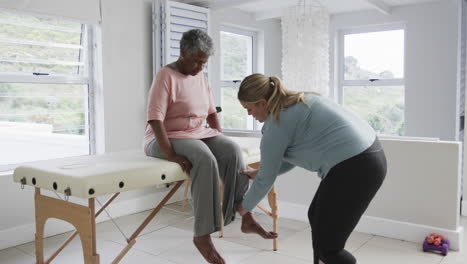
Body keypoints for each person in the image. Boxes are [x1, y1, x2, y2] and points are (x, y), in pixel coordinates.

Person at [144, 30, 275, 264]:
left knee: (233, 151)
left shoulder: (200, 77)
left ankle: (242, 211)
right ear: (183, 52)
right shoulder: (166, 76)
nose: (199, 67)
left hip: (198, 134)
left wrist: (221, 142)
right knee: (204, 159)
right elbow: (155, 120)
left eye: (204, 63)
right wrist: (171, 154)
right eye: (197, 61)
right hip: (165, 137)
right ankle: (202, 235)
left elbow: (212, 114)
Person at [236, 73, 387, 264]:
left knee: (330, 248)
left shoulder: (277, 124)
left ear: (262, 102)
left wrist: (244, 207)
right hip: (370, 157)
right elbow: (287, 159)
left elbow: (267, 178)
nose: (249, 114)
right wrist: (260, 172)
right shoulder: (299, 101)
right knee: (316, 216)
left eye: (249, 109)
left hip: (354, 166)